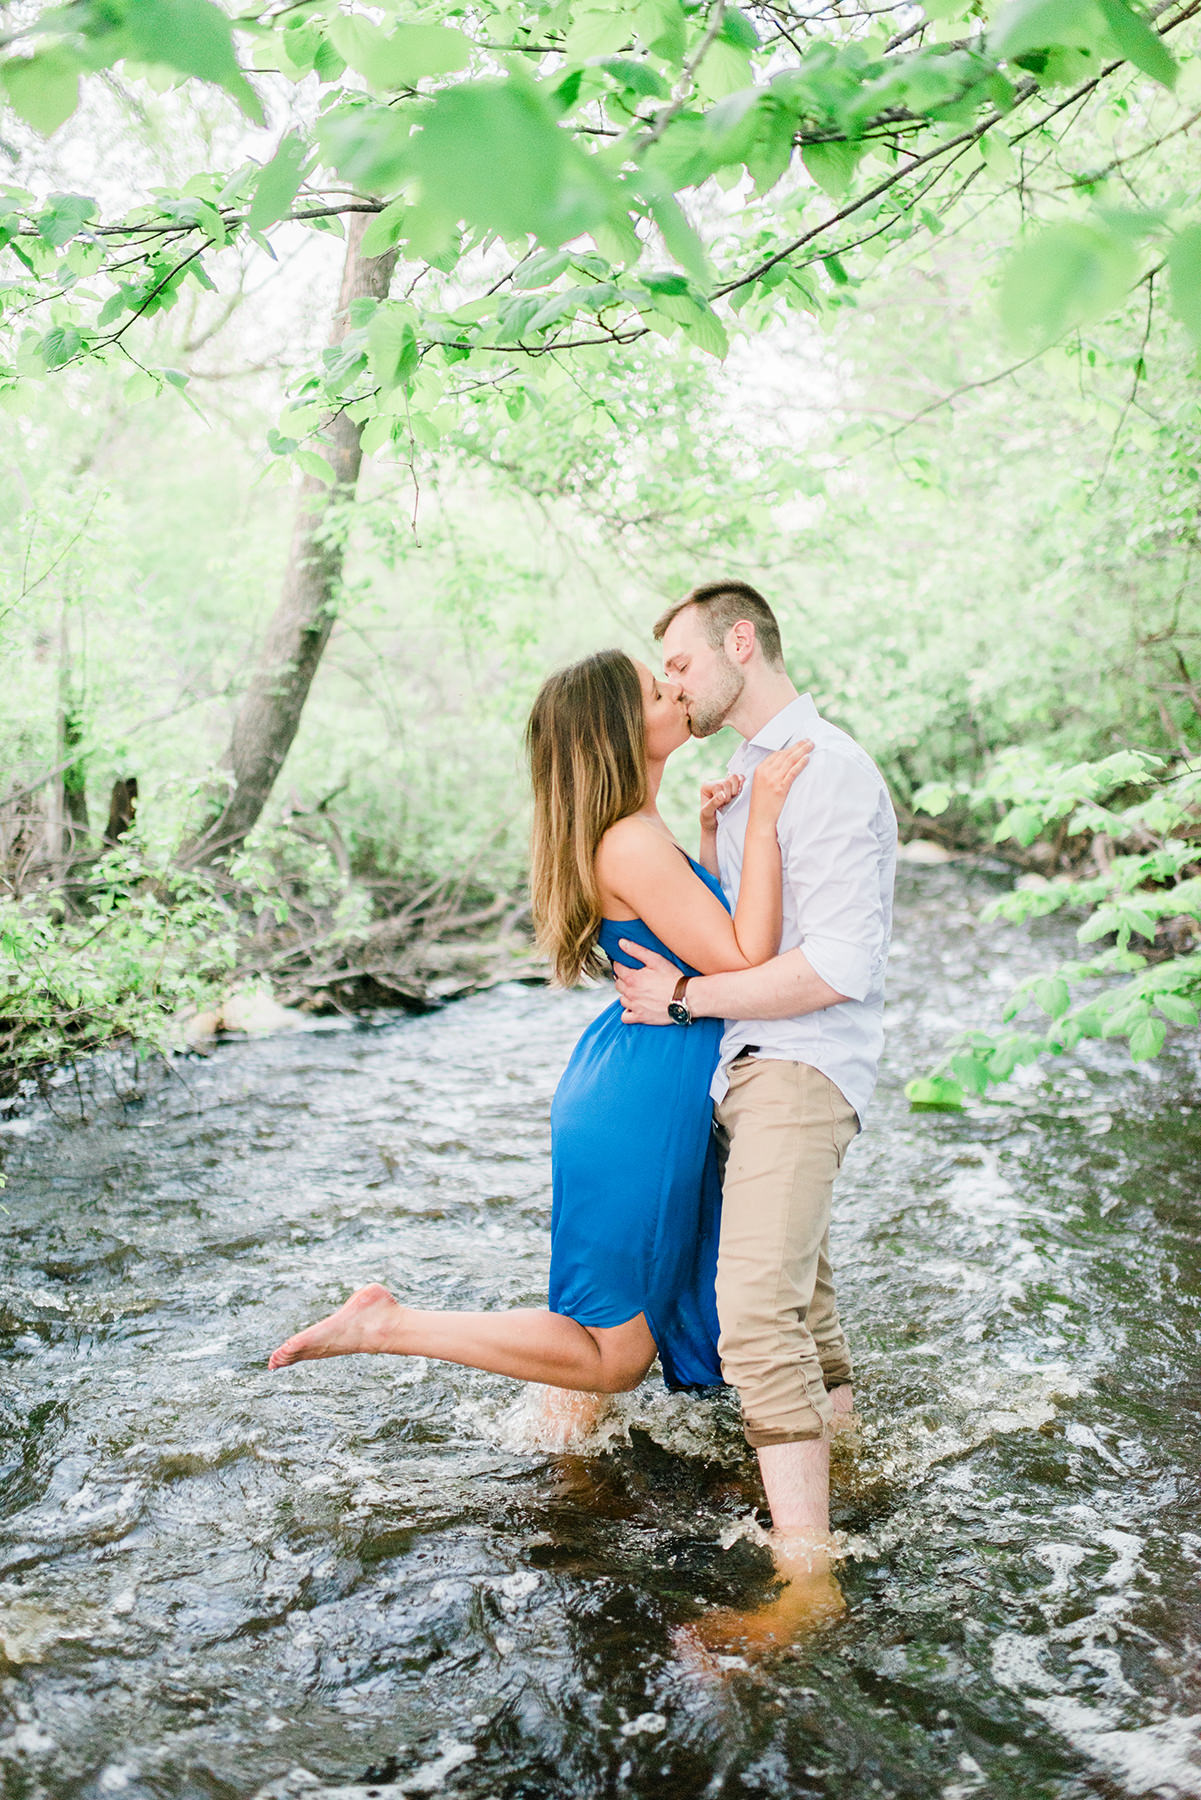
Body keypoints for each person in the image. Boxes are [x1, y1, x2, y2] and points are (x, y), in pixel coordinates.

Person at [267, 649, 811, 1424]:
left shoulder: (639, 830)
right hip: (640, 1100)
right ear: (622, 731)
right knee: (610, 1352)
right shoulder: (627, 841)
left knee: (639, 1326)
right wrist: (763, 821)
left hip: (642, 1081)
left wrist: (714, 834)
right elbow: (745, 956)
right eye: (659, 690)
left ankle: (563, 1458)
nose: (677, 691)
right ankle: (384, 1323)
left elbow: (704, 938)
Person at [614, 580, 897, 1641]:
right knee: (804, 1307)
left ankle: (806, 1582)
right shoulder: (743, 776)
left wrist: (685, 998)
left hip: (799, 1065)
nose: (674, 687)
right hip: (748, 1066)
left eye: (681, 664)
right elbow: (752, 930)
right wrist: (715, 833)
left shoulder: (824, 768)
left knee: (749, 1314)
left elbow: (836, 966)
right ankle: (840, 1474)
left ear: (742, 642)